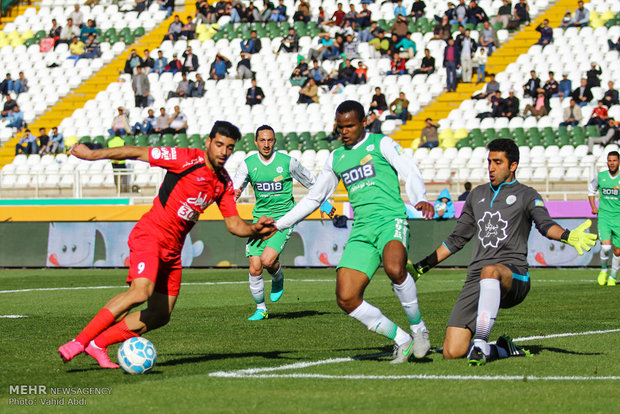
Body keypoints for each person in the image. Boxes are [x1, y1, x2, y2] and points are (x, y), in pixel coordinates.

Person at [58, 121, 275, 368]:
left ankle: (98, 344)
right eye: (219, 144)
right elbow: (136, 152)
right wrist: (92, 155)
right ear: (208, 142)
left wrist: (254, 228)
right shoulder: (184, 158)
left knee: (161, 315)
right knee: (140, 292)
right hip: (150, 235)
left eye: (229, 147)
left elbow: (234, 224)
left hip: (173, 251)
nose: (223, 152)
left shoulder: (223, 183)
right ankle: (79, 341)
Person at [272, 100, 435, 363]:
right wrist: (280, 224)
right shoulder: (336, 158)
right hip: (361, 229)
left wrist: (420, 198)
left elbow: (409, 170)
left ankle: (419, 330)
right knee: (346, 297)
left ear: (363, 123)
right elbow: (315, 198)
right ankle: (401, 339)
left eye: (349, 126)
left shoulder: (381, 144)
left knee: (395, 268)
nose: (344, 132)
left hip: (389, 220)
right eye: (340, 127)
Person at [412, 138, 597, 365]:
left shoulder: (527, 195)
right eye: (489, 161)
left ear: (513, 166)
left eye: (497, 162)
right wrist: (422, 266)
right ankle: (501, 348)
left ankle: (480, 343)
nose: (491, 167)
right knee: (453, 351)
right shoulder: (477, 195)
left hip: (514, 275)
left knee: (490, 270)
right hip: (477, 277)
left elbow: (545, 225)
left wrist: (568, 236)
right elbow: (456, 239)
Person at [233, 125, 316, 320]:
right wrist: (233, 195)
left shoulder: (288, 163)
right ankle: (261, 309)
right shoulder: (247, 164)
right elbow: (235, 189)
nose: (266, 144)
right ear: (256, 142)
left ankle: (277, 277)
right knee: (254, 267)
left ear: (274, 141)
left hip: (283, 219)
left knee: (267, 261)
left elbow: (313, 183)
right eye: (262, 140)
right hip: (260, 219)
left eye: (270, 140)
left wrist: (326, 205)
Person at [588, 151, 620, 286]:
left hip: (618, 218)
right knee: (606, 247)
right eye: (610, 160)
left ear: (618, 162)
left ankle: (613, 276)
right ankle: (603, 270)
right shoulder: (601, 176)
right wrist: (593, 206)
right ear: (607, 162)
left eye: (614, 160)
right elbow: (591, 189)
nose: (612, 163)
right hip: (604, 216)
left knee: (618, 251)